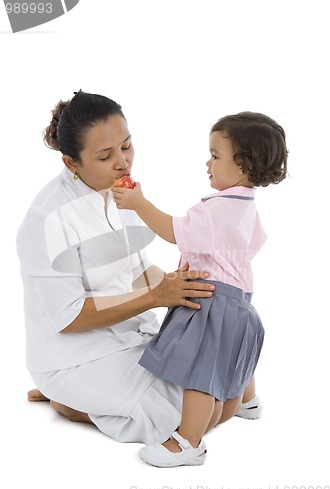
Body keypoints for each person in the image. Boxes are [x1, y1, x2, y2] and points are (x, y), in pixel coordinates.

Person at [17, 90, 257, 446]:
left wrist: (185, 286)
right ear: (72, 163)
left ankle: (94, 401)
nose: (123, 162)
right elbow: (67, 318)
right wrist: (156, 297)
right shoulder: (45, 220)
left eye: (126, 146)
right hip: (75, 357)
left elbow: (139, 268)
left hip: (133, 337)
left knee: (220, 404)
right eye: (105, 155)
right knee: (187, 417)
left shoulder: (121, 193)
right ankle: (70, 403)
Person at [111, 111, 288, 466]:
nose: (207, 163)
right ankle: (248, 401)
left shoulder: (216, 209)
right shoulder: (245, 204)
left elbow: (175, 231)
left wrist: (139, 204)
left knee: (201, 370)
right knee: (231, 352)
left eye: (215, 156)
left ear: (245, 165)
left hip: (212, 298)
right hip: (239, 299)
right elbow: (253, 244)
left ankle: (189, 443)